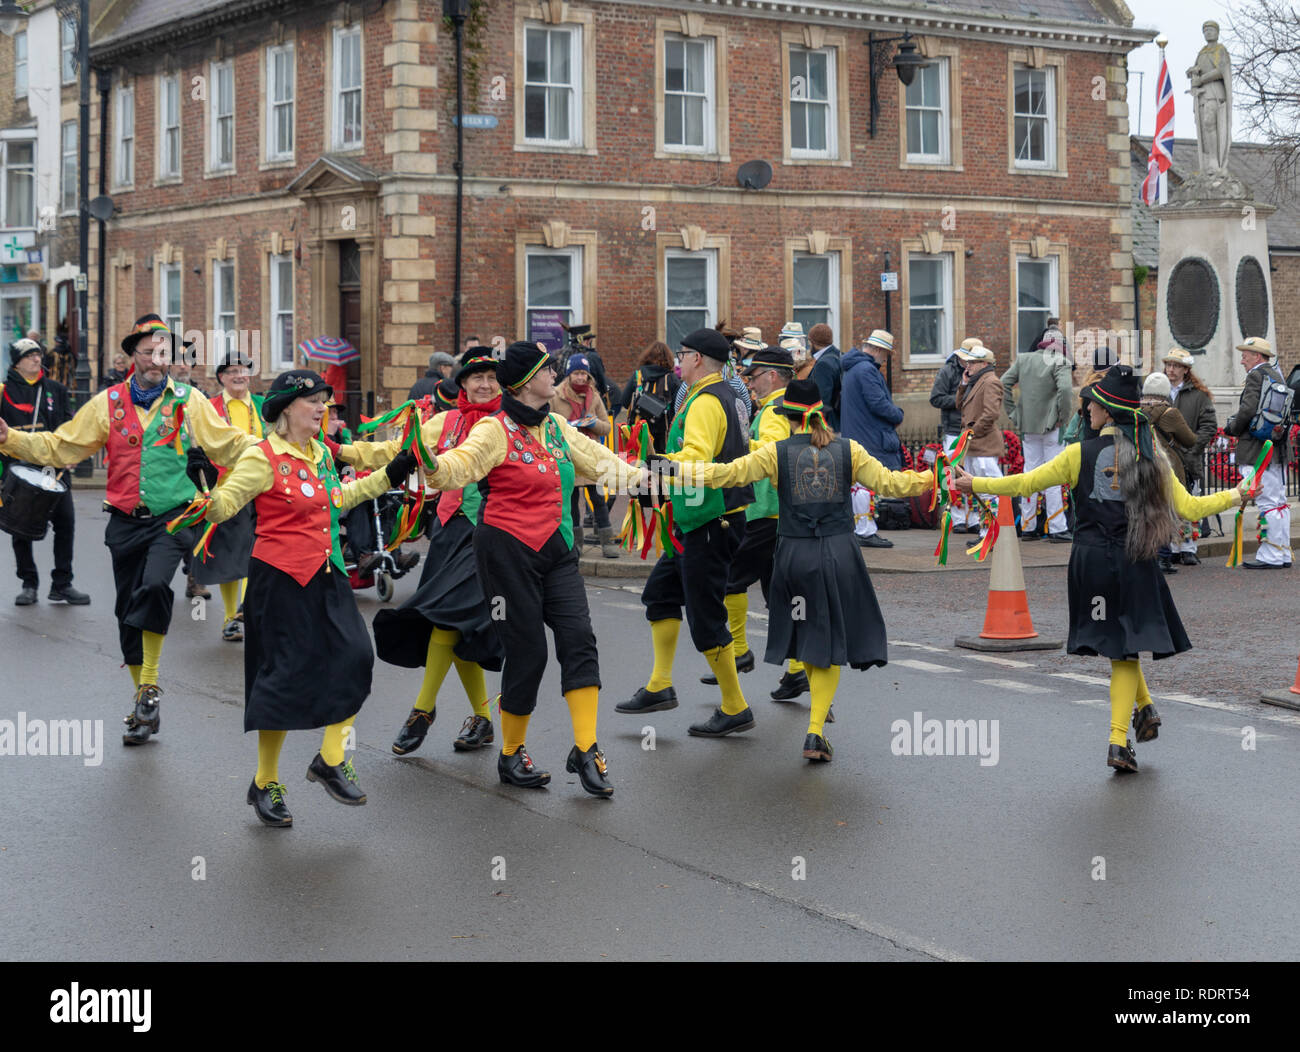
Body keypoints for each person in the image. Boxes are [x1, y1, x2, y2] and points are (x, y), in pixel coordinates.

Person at [953, 366, 1247, 773]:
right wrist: (1236, 495)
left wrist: (975, 485)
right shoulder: (1151, 455)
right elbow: (1191, 509)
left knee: (1119, 644)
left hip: (1090, 561)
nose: (1086, 407)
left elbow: (1024, 484)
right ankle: (1117, 740)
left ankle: (1143, 711)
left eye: (1092, 402)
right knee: (1124, 647)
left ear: (1107, 411)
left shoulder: (1077, 453)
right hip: (1134, 558)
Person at [0, 316, 255, 746]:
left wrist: (270, 449)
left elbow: (228, 442)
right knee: (126, 614)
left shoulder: (187, 400)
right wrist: (10, 439)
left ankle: (150, 686)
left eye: (164, 353)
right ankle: (143, 702)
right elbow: (63, 445)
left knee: (155, 587)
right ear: (131, 357)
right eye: (149, 352)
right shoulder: (108, 403)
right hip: (123, 521)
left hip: (173, 517)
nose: (157, 360)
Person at [419, 342, 649, 796]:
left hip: (557, 549)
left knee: (579, 641)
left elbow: (608, 467)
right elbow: (456, 467)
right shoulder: (493, 431)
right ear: (528, 383)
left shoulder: (559, 427)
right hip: (505, 552)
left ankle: (586, 749)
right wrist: (430, 463)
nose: (557, 376)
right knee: (528, 654)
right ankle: (511, 754)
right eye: (549, 371)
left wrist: (664, 475)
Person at [190, 370, 417, 826]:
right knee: (280, 681)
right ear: (286, 409)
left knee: (356, 657)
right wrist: (205, 495)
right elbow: (228, 502)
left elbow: (339, 498)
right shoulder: (262, 456)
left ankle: (330, 759)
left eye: (325, 402)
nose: (323, 409)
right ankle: (265, 782)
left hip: (326, 572)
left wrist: (388, 475)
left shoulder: (321, 454)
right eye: (313, 401)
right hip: (277, 580)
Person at [678, 379, 933, 761]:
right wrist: (935, 477)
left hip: (794, 558)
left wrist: (676, 468)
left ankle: (816, 724)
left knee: (807, 634)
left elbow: (726, 475)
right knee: (827, 641)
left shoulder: (776, 453)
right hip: (840, 555)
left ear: (788, 416)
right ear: (821, 411)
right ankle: (815, 731)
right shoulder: (851, 450)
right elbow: (893, 483)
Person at [618, 328, 757, 738]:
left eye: (683, 354)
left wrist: (651, 469)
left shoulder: (706, 402)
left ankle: (735, 707)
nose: (678, 360)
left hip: (712, 520)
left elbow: (695, 458)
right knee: (660, 594)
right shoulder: (723, 395)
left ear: (697, 358)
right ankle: (660, 686)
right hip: (700, 517)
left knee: (705, 616)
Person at [373, 349, 505, 755]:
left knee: (446, 619)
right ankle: (482, 717)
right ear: (461, 383)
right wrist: (342, 451)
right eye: (475, 377)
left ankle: (421, 711)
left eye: (491, 377)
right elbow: (399, 450)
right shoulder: (445, 422)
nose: (484, 384)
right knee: (454, 624)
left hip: (489, 532)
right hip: (448, 530)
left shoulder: (511, 423)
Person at [701, 346, 806, 699]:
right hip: (777, 512)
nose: (750, 383)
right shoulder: (782, 406)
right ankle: (797, 670)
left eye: (755, 376)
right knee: (779, 591)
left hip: (766, 512)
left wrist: (742, 441)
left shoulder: (776, 409)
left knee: (732, 580)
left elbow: (776, 451)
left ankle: (740, 651)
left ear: (773, 375)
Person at [1, 338, 88, 605]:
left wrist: (72, 453)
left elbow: (67, 426)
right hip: (17, 469)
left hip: (54, 467)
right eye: (29, 355)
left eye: (38, 354)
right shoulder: (3, 391)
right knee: (19, 528)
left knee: (65, 524)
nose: (36, 359)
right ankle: (29, 583)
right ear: (17, 362)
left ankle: (62, 583)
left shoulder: (56, 389)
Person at [193, 357, 267, 640]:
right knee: (232, 557)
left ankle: (247, 613)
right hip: (227, 488)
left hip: (263, 487)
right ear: (221, 377)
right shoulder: (209, 409)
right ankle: (230, 617)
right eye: (232, 371)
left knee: (257, 552)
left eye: (244, 371)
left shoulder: (262, 407)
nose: (239, 376)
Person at [1223, 337, 1292, 568]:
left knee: (1267, 502)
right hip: (1275, 448)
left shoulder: (1256, 375)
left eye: (1246, 354)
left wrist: (1231, 428)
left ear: (1258, 357)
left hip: (1256, 450)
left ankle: (1271, 556)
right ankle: (1281, 552)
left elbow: (1248, 410)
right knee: (1279, 502)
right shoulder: (1277, 375)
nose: (1242, 359)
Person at [1000, 326, 1074, 542]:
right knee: (1053, 475)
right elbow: (1066, 391)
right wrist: (1063, 416)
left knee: (1029, 474)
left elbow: (1003, 383)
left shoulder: (1024, 359)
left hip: (1028, 426)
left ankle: (1028, 525)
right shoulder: (1060, 361)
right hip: (1053, 427)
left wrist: (1013, 413)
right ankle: (1057, 527)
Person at [840, 330, 902, 549]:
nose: (884, 358)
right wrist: (898, 414)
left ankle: (862, 528)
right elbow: (877, 403)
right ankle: (865, 530)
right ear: (876, 350)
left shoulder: (853, 369)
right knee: (864, 485)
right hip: (868, 435)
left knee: (859, 484)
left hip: (857, 432)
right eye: (884, 353)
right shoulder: (867, 370)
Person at [552, 352, 618, 557]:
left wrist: (592, 423)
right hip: (567, 455)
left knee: (598, 500)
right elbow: (547, 424)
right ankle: (575, 544)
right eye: (576, 373)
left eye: (584, 374)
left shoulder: (594, 395)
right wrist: (567, 427)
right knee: (571, 503)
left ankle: (608, 542)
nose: (580, 378)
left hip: (590, 455)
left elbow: (606, 427)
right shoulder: (555, 395)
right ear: (569, 375)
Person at [1164, 347, 1218, 565]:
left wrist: (1193, 447)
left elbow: (1209, 425)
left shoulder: (1198, 396)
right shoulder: (1158, 392)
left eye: (1176, 366)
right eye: (1168, 365)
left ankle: (1187, 547)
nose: (1171, 369)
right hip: (1165, 458)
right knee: (1167, 504)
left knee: (1188, 503)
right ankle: (1170, 546)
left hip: (1188, 458)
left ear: (1186, 370)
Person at [1140, 371, 1198, 574]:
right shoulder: (1169, 413)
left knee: (1149, 512)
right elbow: (1190, 440)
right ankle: (1163, 558)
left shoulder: (1137, 411)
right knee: (1165, 513)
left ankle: (1149, 556)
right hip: (1168, 468)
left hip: (1143, 467)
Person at [953, 344, 1004, 535]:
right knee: (980, 490)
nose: (968, 366)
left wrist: (971, 433)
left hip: (985, 445)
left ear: (985, 363)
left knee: (990, 489)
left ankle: (992, 532)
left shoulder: (990, 381)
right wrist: (963, 384)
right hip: (974, 446)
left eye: (973, 362)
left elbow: (991, 413)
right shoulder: (976, 381)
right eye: (968, 362)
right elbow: (959, 405)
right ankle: (985, 532)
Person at [619, 340, 681, 454]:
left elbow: (624, 401)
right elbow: (678, 408)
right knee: (661, 468)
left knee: (639, 467)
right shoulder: (671, 379)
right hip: (663, 437)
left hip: (638, 434)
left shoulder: (638, 375)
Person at [807, 323, 843, 430]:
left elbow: (821, 401)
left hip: (828, 426)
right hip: (839, 421)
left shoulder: (823, 364)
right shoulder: (838, 356)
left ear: (813, 342)